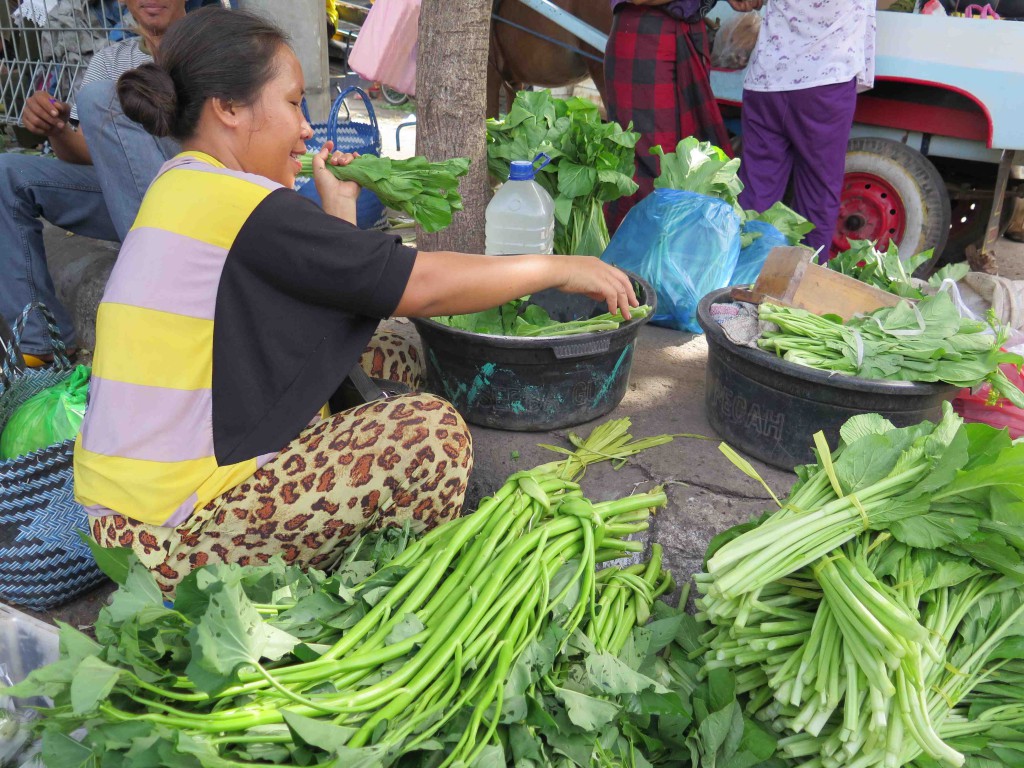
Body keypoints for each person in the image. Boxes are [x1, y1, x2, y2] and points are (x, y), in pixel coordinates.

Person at [76, 7, 638, 595]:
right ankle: (378, 586)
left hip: (119, 516)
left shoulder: (182, 183)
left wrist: (338, 206)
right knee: (429, 435)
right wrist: (557, 268)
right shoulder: (243, 207)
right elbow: (417, 285)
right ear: (229, 108)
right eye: (293, 103)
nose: (305, 129)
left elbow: (337, 288)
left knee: (391, 348)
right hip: (167, 540)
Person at [0, 0, 186, 366]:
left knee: (103, 97)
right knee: (7, 173)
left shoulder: (211, 44)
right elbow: (85, 151)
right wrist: (55, 129)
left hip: (193, 190)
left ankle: (164, 288)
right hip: (125, 196)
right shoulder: (109, 60)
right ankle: (41, 344)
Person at [603, 0, 762, 234]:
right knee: (650, 169)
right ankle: (632, 264)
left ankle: (676, 260)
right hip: (646, 36)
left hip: (685, 35)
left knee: (693, 166)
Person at [737, 0, 876, 260]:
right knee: (817, 196)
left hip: (767, 79)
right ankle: (800, 285)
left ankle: (738, 282)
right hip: (825, 82)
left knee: (756, 191)